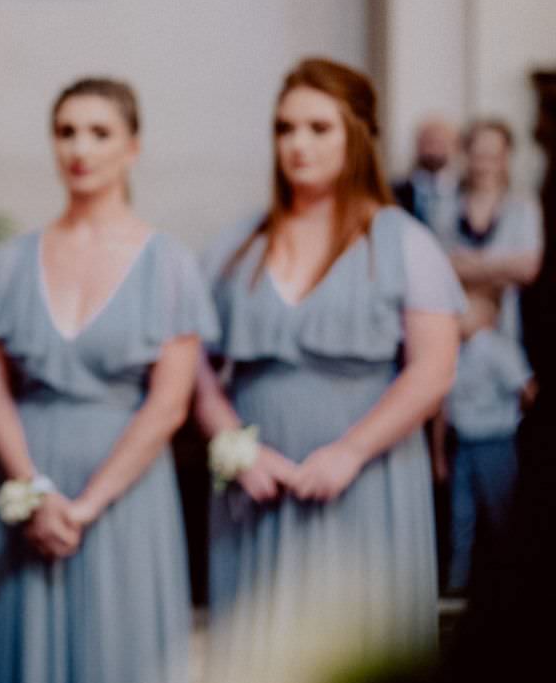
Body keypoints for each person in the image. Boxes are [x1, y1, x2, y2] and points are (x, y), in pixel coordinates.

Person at [196, 58, 463, 681]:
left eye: (319, 128)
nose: (298, 145)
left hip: (369, 480)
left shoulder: (403, 241)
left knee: (363, 641)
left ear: (357, 136)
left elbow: (434, 368)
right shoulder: (238, 244)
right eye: (285, 128)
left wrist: (349, 452)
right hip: (257, 489)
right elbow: (195, 369)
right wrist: (233, 445)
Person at [0, 78, 217, 683]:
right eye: (66, 131)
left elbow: (168, 404)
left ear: (131, 148)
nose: (79, 147)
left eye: (99, 132)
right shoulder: (12, 260)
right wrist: (33, 492)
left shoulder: (169, 264)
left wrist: (82, 509)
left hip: (125, 497)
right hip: (27, 481)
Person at [441, 293, 535, 593]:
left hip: (495, 442)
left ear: (487, 313)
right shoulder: (455, 350)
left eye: (466, 308)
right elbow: (443, 406)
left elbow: (527, 390)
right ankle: (458, 584)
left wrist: (510, 420)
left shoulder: (497, 348)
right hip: (464, 444)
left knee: (501, 513)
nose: (458, 314)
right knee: (461, 516)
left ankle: (509, 583)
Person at [447, 119, 543, 342]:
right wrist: (500, 268)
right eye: (478, 155)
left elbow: (528, 267)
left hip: (511, 324)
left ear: (505, 158)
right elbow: (439, 262)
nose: (483, 165)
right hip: (458, 321)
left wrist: (470, 264)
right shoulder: (445, 204)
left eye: (492, 157)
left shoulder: (523, 206)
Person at [392, 117, 462, 241]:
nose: (434, 150)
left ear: (455, 146)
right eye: (428, 142)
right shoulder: (395, 192)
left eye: (440, 142)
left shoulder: (466, 190)